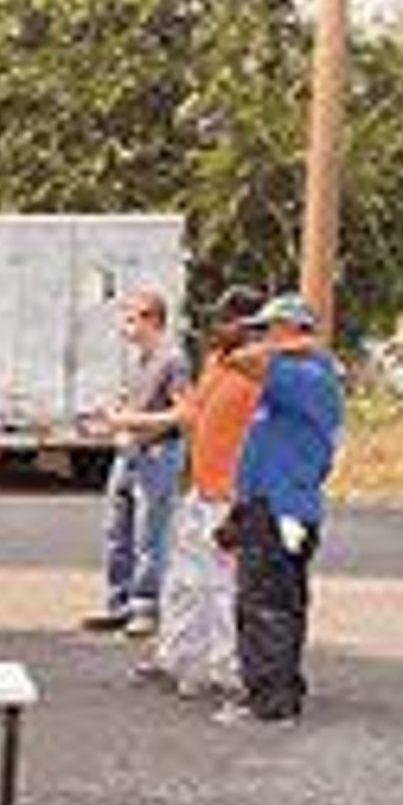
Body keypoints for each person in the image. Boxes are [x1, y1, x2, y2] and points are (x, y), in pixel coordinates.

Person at [222, 292, 343, 728]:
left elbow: (237, 358)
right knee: (278, 601)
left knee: (266, 604)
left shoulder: (306, 374)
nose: (260, 338)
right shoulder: (294, 376)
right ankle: (281, 689)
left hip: (282, 509)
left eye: (268, 329)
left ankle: (271, 703)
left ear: (291, 331)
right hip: (269, 505)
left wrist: (292, 344)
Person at [145, 289, 265, 700]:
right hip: (200, 486)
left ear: (250, 325)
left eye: (227, 320)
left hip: (230, 493)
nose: (218, 327)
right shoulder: (218, 361)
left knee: (223, 584)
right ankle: (179, 659)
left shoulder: (260, 369)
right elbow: (193, 412)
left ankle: (225, 668)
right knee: (185, 580)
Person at [82, 291, 192, 638]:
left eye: (131, 319)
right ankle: (119, 605)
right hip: (128, 453)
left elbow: (184, 412)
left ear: (152, 320)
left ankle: (146, 607)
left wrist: (131, 420)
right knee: (117, 532)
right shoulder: (139, 361)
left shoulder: (173, 361)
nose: (125, 327)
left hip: (158, 455)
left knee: (150, 534)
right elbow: (132, 406)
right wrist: (109, 418)